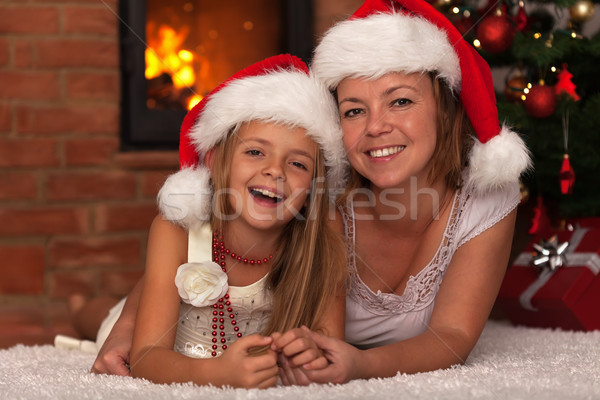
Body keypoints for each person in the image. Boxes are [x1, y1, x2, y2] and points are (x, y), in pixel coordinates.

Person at [270, 0, 532, 384]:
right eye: (354, 111)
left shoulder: (487, 197)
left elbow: (453, 335)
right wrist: (312, 352)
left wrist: (362, 365)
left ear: (445, 109)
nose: (376, 127)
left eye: (401, 101)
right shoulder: (327, 195)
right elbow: (325, 333)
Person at [73, 54, 348, 388]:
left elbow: (330, 342)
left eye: (298, 164)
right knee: (102, 320)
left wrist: (310, 353)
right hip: (169, 333)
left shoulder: (325, 236)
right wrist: (217, 374)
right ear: (217, 160)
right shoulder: (175, 230)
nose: (275, 170)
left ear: (313, 189)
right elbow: (146, 357)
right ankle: (80, 308)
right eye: (255, 151)